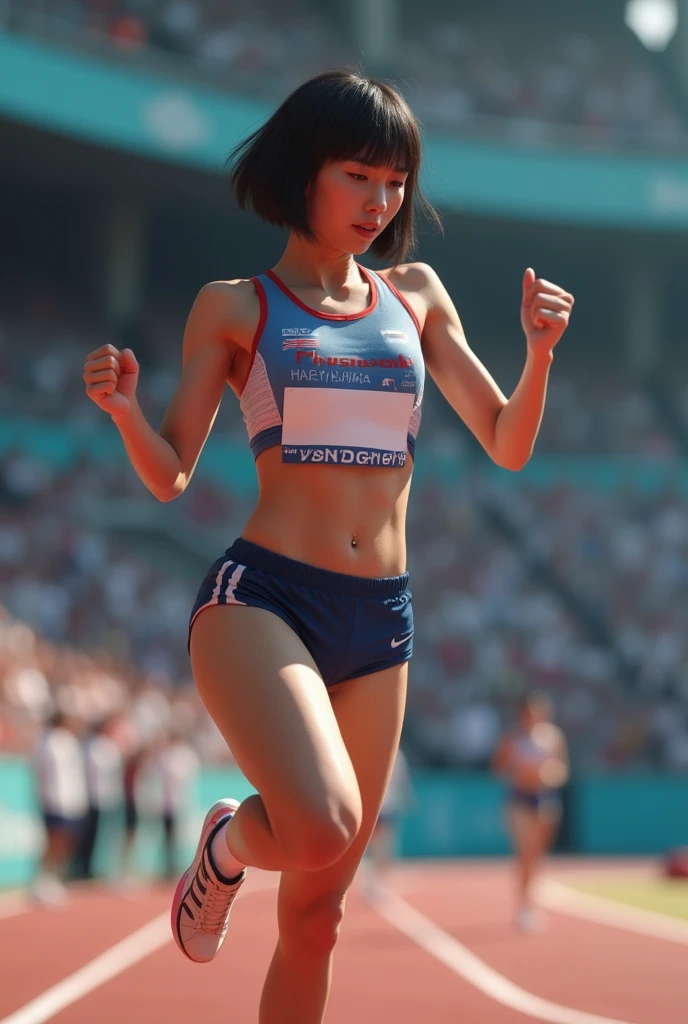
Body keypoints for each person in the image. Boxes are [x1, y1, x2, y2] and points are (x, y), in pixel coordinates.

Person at [82, 68, 574, 1023]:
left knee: (317, 920)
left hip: (380, 617)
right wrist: (121, 412)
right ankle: (227, 844)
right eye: (360, 176)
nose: (380, 202)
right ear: (306, 172)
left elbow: (509, 442)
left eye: (395, 183)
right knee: (320, 827)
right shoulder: (235, 306)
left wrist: (541, 352)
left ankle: (235, 847)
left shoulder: (417, 296)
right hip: (262, 601)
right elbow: (172, 472)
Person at [491, 691, 569, 932]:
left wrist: (547, 773)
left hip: (545, 798)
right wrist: (520, 769)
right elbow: (497, 768)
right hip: (520, 799)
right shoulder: (512, 738)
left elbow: (562, 771)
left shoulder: (553, 737)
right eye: (529, 712)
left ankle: (531, 899)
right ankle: (524, 905)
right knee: (524, 852)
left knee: (536, 855)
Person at [32, 709, 88, 906]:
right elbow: (43, 772)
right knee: (54, 840)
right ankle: (42, 880)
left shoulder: (70, 742)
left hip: (72, 800)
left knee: (67, 841)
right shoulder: (47, 741)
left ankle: (55, 878)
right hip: (55, 799)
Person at [72, 715, 124, 881]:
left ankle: (92, 868)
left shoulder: (108, 746)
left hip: (105, 797)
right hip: (91, 797)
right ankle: (82, 868)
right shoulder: (93, 746)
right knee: (87, 835)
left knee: (99, 836)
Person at [361, 745, 413, 900]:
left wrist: (406, 798)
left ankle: (377, 881)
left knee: (383, 846)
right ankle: (373, 881)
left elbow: (401, 780)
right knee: (374, 846)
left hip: (387, 805)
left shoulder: (398, 755)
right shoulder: (374, 749)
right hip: (375, 804)